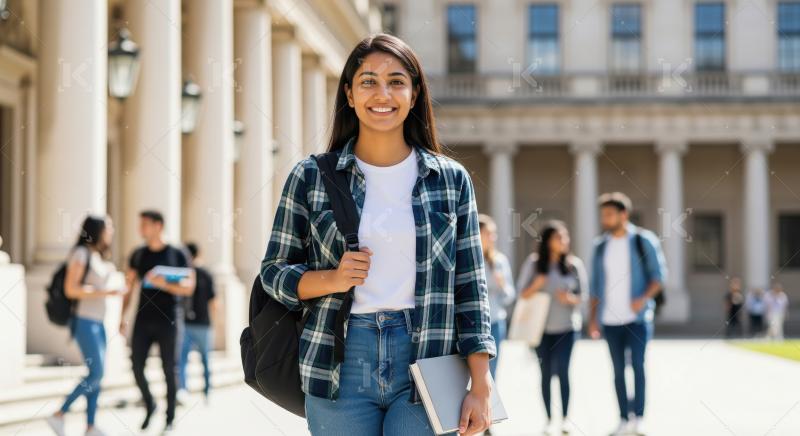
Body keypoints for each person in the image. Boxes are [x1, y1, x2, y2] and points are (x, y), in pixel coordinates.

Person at [260, 33, 496, 436]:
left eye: (396, 81)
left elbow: (470, 286)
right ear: (350, 94)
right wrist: (332, 279)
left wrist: (481, 382)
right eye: (368, 81)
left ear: (415, 93)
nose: (382, 93)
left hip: (429, 360)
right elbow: (273, 272)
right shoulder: (311, 176)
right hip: (340, 361)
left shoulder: (450, 180)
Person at [587, 192, 667, 436]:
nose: (605, 219)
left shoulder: (644, 240)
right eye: (603, 215)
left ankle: (639, 418)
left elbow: (659, 277)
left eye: (610, 214)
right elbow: (595, 286)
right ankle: (623, 418)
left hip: (638, 318)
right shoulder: (600, 247)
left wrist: (642, 299)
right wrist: (592, 319)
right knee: (618, 371)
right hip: (610, 321)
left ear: (624, 214)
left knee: (639, 367)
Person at [47, 216, 126, 436]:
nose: (112, 230)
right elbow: (71, 289)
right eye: (108, 226)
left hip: (98, 322)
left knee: (97, 374)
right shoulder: (80, 254)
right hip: (84, 320)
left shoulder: (97, 256)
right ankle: (59, 414)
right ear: (97, 230)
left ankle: (90, 426)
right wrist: (106, 292)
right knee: (96, 373)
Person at [121, 210, 195, 433]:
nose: (140, 229)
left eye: (145, 224)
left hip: (170, 319)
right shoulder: (138, 254)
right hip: (143, 319)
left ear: (158, 226)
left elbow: (189, 286)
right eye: (140, 224)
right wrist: (122, 316)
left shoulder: (178, 253)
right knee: (135, 365)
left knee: (168, 369)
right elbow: (130, 287)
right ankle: (150, 403)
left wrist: (162, 283)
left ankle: (170, 417)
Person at [516, 220, 587, 435]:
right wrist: (537, 284)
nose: (564, 241)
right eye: (559, 237)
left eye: (565, 237)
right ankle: (548, 419)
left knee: (564, 371)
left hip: (567, 328)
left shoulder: (574, 265)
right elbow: (521, 294)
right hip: (541, 331)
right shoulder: (534, 263)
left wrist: (570, 299)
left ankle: (565, 418)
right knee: (545, 373)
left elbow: (584, 297)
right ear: (548, 241)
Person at [478, 214, 515, 382]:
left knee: (491, 374)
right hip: (473, 324)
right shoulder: (468, 260)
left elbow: (509, 297)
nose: (493, 237)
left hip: (495, 323)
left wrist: (502, 286)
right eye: (489, 233)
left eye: (494, 233)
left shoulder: (500, 261)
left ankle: (490, 407)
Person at [177, 242, 216, 402]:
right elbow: (214, 302)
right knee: (202, 359)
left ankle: (187, 390)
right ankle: (202, 391)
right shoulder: (205, 274)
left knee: (185, 358)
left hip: (192, 323)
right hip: (199, 323)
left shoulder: (190, 273)